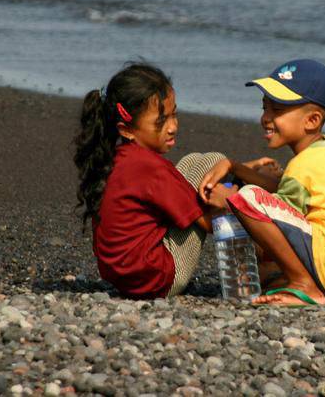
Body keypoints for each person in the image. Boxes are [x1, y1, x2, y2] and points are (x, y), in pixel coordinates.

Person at [199, 59, 325, 306]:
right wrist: (234, 166)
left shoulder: (305, 165)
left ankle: (304, 285)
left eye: (277, 110)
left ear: (311, 120)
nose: (265, 118)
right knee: (256, 209)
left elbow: (268, 212)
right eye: (264, 108)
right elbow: (281, 194)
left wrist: (229, 200)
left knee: (249, 197)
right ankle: (297, 279)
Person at [73, 62, 226, 299]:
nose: (173, 127)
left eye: (174, 114)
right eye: (161, 121)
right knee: (213, 161)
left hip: (123, 278)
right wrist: (237, 202)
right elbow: (209, 224)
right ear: (126, 130)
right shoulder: (150, 167)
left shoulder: (117, 158)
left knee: (192, 162)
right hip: (158, 280)